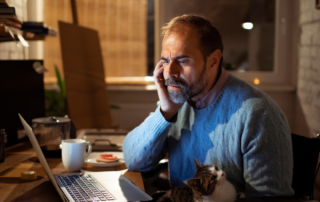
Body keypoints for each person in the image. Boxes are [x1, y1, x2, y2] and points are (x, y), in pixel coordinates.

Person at [123, 14, 294, 197]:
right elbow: (133, 161)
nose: (170, 72)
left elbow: (270, 199)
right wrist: (165, 112)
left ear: (213, 60)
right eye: (165, 61)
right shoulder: (179, 100)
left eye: (183, 60)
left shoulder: (257, 114)